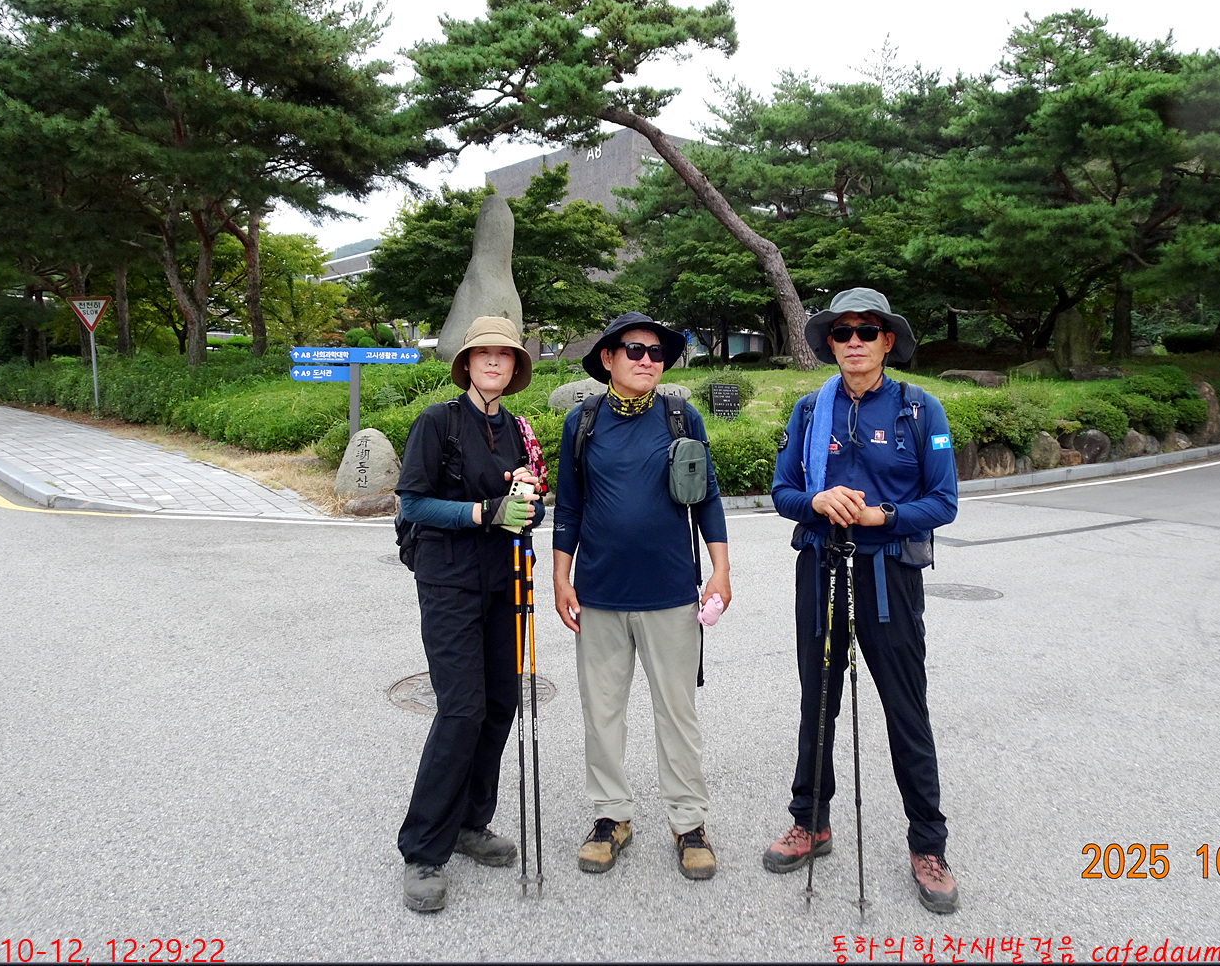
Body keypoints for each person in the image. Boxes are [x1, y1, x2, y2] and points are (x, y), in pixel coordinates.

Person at [764, 288, 962, 914]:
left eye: (866, 331)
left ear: (886, 342)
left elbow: (944, 502)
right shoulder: (809, 410)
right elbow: (783, 491)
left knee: (906, 707)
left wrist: (883, 515)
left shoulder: (918, 409)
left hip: (888, 576)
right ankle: (810, 821)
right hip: (821, 568)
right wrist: (817, 501)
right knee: (818, 701)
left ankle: (928, 844)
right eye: (842, 332)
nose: (854, 341)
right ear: (830, 343)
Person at [551, 311, 731, 881]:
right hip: (599, 592)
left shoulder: (681, 417)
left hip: (671, 592)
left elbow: (707, 497)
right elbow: (569, 506)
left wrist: (721, 571)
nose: (648, 360)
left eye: (656, 352)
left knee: (677, 713)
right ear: (608, 358)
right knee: (601, 711)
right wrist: (560, 577)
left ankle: (689, 823)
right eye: (635, 350)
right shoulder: (582, 421)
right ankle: (612, 816)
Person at [393, 316, 547, 913]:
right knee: (461, 709)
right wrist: (484, 513)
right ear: (466, 364)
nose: (493, 362)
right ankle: (423, 849)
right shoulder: (437, 422)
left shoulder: (518, 430)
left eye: (504, 355)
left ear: (515, 368)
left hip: (504, 581)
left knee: (501, 702)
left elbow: (529, 508)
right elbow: (414, 502)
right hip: (449, 581)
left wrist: (526, 502)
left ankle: (470, 823)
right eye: (483, 354)